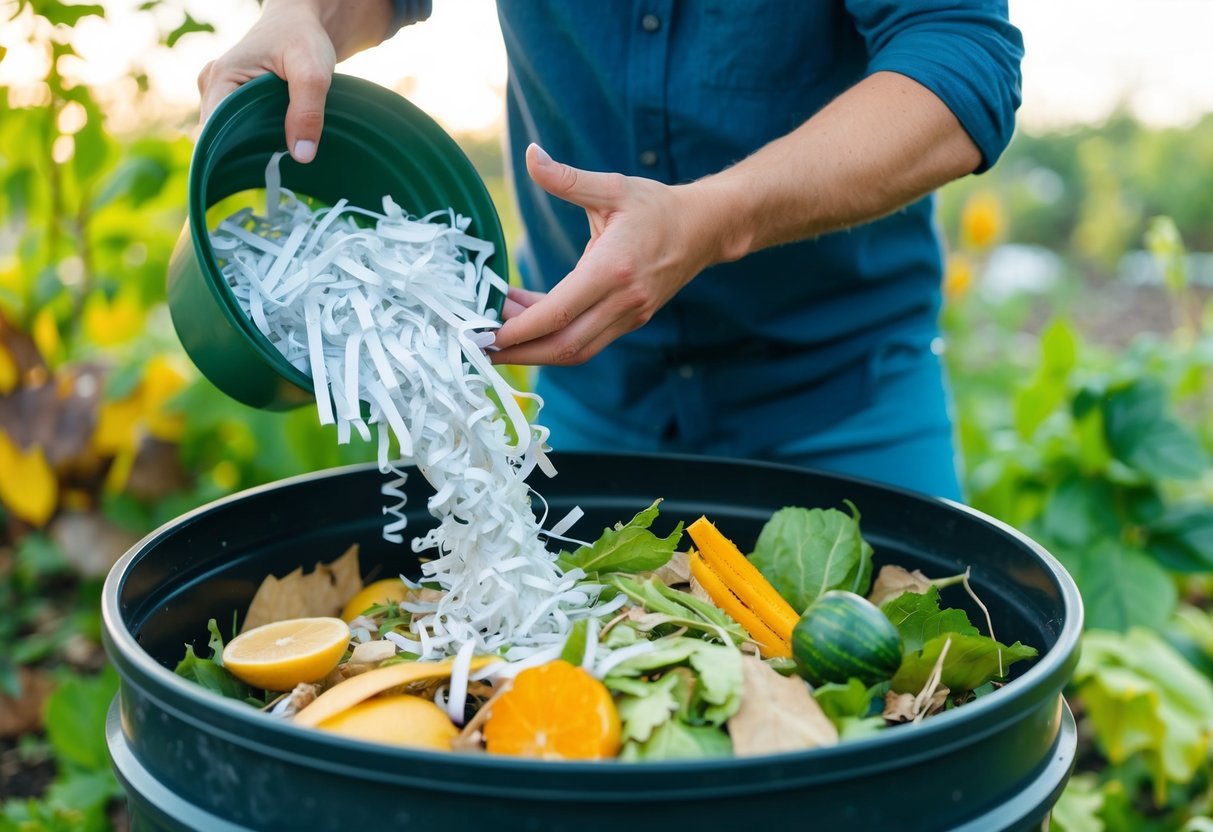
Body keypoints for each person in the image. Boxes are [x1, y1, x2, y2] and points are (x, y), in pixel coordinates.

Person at [199, 1, 1024, 502]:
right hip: (590, 399)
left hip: (842, 395)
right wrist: (298, 12)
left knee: (902, 725)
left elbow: (960, 57)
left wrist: (716, 216)